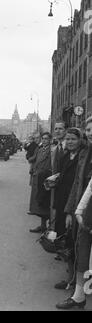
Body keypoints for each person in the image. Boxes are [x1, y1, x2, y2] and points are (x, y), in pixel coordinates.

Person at [56, 117, 92, 310]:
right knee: (81, 251)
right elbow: (78, 184)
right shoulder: (85, 154)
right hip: (85, 212)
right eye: (88, 129)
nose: (91, 132)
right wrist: (72, 211)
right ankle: (78, 295)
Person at [52, 128, 83, 290]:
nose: (70, 142)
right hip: (62, 202)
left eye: (73, 139)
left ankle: (75, 282)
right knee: (65, 242)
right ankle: (70, 277)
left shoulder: (82, 158)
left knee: (73, 243)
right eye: (68, 139)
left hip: (73, 206)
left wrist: (70, 211)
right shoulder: (65, 156)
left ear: (80, 140)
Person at [29, 133, 52, 233]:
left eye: (46, 139)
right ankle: (42, 226)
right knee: (39, 202)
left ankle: (49, 227)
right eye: (43, 138)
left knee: (46, 202)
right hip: (37, 177)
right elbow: (34, 159)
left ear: (50, 140)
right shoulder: (39, 149)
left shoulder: (52, 150)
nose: (44, 140)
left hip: (46, 178)